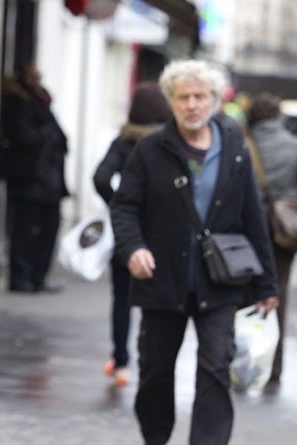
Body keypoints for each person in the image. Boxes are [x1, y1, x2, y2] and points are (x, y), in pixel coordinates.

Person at [110, 59, 279, 445]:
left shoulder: (235, 150)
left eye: (200, 96)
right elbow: (124, 206)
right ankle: (155, 437)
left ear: (215, 101)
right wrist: (133, 247)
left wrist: (267, 284)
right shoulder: (150, 149)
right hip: (161, 281)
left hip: (219, 282)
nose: (192, 105)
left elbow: (253, 217)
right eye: (183, 97)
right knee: (155, 373)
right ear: (171, 101)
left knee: (216, 368)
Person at [92, 81, 171, 387]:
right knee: (159, 302)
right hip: (164, 233)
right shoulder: (170, 141)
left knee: (122, 299)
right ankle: (152, 363)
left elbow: (100, 177)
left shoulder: (124, 140)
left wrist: (117, 204)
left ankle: (121, 362)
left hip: (127, 233)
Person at [246, 92, 297, 384]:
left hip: (245, 232)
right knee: (278, 295)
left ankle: (243, 360)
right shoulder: (296, 147)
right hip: (283, 234)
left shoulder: (242, 144)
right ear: (278, 117)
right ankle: (274, 368)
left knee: (243, 295)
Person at [0, 64, 69, 293]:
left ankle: (38, 277)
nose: (37, 80)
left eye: (39, 76)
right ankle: (21, 277)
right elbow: (22, 136)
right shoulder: (18, 103)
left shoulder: (43, 102)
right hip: (28, 180)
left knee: (49, 228)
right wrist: (46, 138)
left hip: (50, 181)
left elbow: (57, 137)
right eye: (33, 77)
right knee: (24, 230)